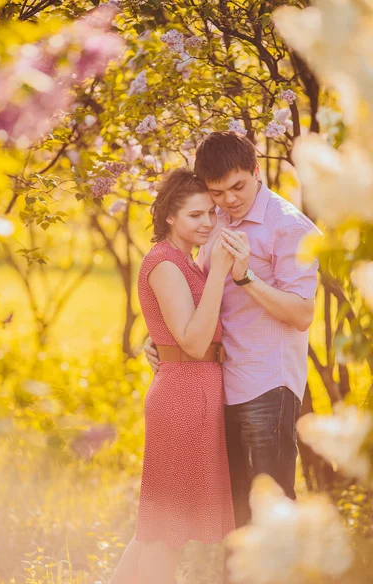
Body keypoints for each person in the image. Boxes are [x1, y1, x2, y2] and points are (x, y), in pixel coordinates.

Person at [145, 132, 321, 533]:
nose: (228, 200)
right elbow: (191, 290)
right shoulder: (214, 218)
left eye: (238, 187)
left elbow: (303, 313)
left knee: (271, 509)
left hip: (269, 384)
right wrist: (161, 338)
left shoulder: (289, 227)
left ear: (256, 170)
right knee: (235, 517)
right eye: (217, 192)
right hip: (221, 383)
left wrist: (246, 279)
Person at [111, 168, 235, 584]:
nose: (207, 223)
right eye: (195, 216)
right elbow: (195, 343)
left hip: (194, 392)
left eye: (211, 214)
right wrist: (219, 271)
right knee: (165, 529)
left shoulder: (187, 261)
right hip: (181, 398)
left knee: (159, 527)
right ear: (170, 217)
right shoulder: (166, 263)